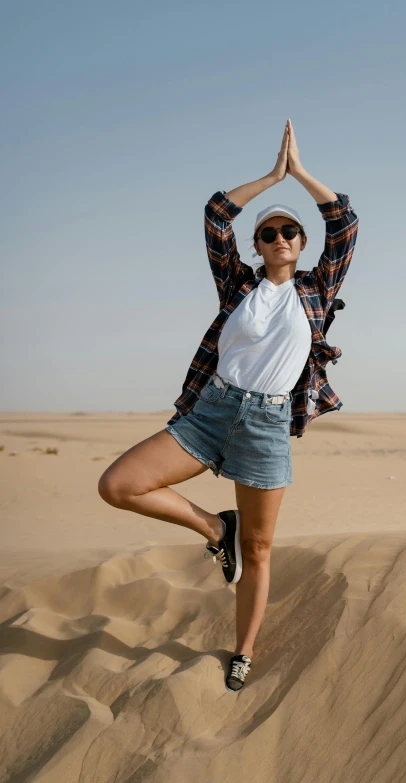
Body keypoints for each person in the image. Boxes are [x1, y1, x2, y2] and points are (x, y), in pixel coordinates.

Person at [98, 119, 359, 692]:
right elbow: (217, 215)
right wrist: (270, 178)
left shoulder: (317, 290)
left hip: (266, 424)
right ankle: (217, 528)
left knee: (260, 550)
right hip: (211, 412)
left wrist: (301, 174)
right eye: (269, 233)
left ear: (302, 242)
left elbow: (344, 222)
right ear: (258, 246)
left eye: (290, 230)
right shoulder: (237, 286)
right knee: (118, 485)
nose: (281, 237)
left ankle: (242, 651)